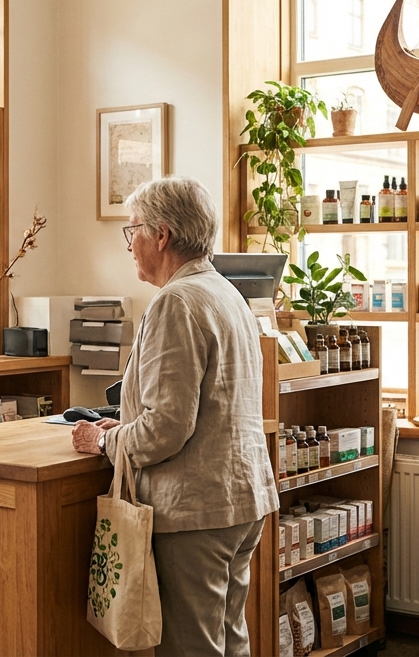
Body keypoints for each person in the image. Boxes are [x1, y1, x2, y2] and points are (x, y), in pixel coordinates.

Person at [70, 176, 278, 657]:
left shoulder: (175, 302)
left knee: (193, 649)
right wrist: (124, 426)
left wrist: (103, 442)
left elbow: (166, 429)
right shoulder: (225, 292)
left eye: (133, 231)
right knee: (229, 640)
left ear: (161, 235)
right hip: (242, 498)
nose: (130, 245)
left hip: (196, 509)